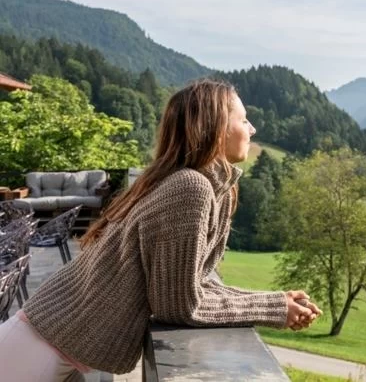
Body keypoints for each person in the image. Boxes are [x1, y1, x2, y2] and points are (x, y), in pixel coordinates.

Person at [0, 79, 321, 380]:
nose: (252, 129)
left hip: (52, 341)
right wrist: (273, 308)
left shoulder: (199, 185)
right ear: (217, 129)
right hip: (38, 347)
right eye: (244, 120)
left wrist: (276, 300)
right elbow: (179, 306)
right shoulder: (190, 188)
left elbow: (192, 284)